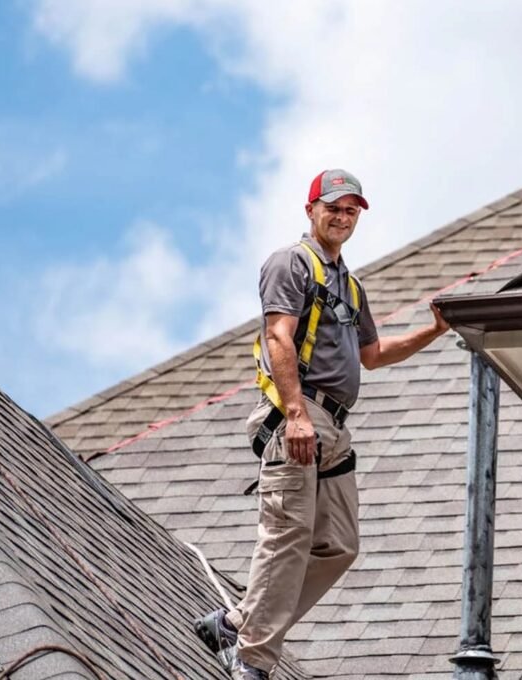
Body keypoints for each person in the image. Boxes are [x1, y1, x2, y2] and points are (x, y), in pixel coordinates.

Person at [194, 169, 450, 679]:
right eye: (333, 207)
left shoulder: (350, 286)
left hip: (334, 428)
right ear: (310, 210)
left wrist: (434, 330)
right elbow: (278, 337)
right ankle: (250, 659)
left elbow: (373, 355)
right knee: (287, 537)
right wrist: (294, 414)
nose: (342, 217)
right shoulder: (291, 262)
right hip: (301, 415)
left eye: (351, 210)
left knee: (339, 545)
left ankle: (237, 622)